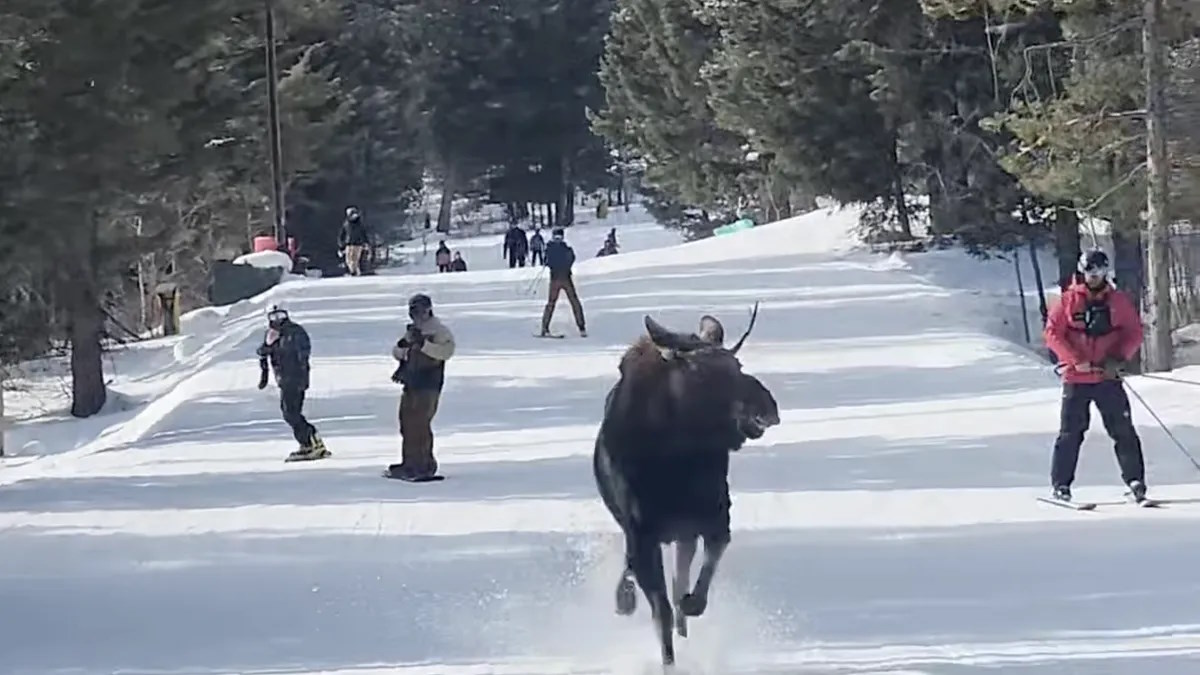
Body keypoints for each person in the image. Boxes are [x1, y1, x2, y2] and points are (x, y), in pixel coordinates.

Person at [1044, 248, 1147, 503]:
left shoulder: (1118, 301)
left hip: (1107, 378)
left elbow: (1134, 332)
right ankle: (1061, 485)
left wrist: (1118, 359)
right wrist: (1074, 360)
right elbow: (1052, 333)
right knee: (1071, 433)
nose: (1094, 277)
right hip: (1076, 379)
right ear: (1082, 271)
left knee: (1123, 430)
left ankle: (1135, 481)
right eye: (1090, 272)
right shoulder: (1067, 300)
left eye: (1100, 272)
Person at [385, 293, 456, 481]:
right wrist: (407, 350)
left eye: (420, 311)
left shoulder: (438, 331)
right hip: (411, 381)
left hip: (429, 384)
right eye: (414, 312)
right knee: (406, 422)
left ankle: (425, 464)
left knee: (420, 424)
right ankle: (409, 462)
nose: (417, 316)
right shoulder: (414, 330)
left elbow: (446, 351)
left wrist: (424, 346)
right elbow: (397, 350)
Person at [256, 305, 328, 462]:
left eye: (280, 315)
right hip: (283, 378)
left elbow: (302, 352)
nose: (277, 320)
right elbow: (264, 351)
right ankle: (306, 443)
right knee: (289, 412)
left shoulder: (295, 332)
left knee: (291, 413)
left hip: (295, 378)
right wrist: (267, 348)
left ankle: (313, 440)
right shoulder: (273, 334)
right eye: (273, 317)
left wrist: (298, 366)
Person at [539, 228, 587, 338]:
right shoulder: (566, 248)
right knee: (574, 301)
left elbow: (546, 261)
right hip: (565, 278)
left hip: (555, 278)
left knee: (551, 303)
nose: (557, 239)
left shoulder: (550, 248)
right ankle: (581, 327)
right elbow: (571, 259)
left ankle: (545, 328)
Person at [337, 206, 370, 276]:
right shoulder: (346, 223)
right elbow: (342, 234)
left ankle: (354, 272)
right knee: (348, 259)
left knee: (354, 259)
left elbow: (363, 233)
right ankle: (354, 271)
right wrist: (341, 244)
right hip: (349, 243)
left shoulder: (359, 224)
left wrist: (366, 243)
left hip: (358, 244)